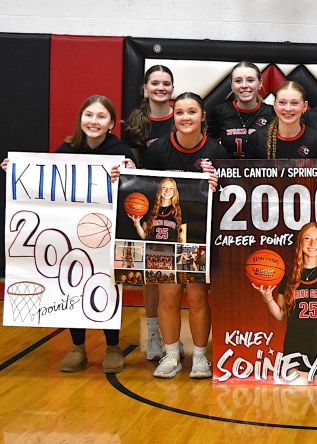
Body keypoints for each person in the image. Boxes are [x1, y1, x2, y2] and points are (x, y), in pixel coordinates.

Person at [2, 95, 134, 373]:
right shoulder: (66, 149)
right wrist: (16, 170)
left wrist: (130, 172)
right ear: (81, 119)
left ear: (111, 123)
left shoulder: (122, 152)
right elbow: (45, 184)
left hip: (106, 233)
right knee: (72, 283)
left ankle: (112, 346)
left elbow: (135, 190)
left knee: (107, 284)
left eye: (101, 116)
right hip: (70, 233)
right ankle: (78, 347)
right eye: (89, 115)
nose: (94, 121)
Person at [143, 92, 226, 379]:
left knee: (197, 296)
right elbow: (144, 189)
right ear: (173, 116)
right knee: (168, 295)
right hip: (164, 236)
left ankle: (200, 356)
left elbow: (228, 197)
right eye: (180, 112)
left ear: (203, 116)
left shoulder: (216, 152)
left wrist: (216, 183)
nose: (186, 117)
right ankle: (171, 355)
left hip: (200, 235)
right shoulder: (158, 149)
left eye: (192, 112)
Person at [122, 64, 175, 360]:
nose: (160, 88)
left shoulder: (182, 116)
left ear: (172, 88)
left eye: (166, 83)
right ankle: (153, 332)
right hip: (147, 203)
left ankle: (173, 335)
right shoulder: (135, 122)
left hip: (179, 201)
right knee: (152, 274)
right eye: (155, 83)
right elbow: (130, 164)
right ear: (145, 88)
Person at [253, 223, 317, 386]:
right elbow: (281, 315)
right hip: (295, 350)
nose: (312, 243)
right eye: (307, 238)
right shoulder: (289, 275)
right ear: (300, 242)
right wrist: (268, 298)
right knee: (297, 395)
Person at [206, 61, 274, 158]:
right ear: (231, 85)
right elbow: (208, 147)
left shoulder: (272, 113)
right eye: (238, 81)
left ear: (260, 83)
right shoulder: (219, 112)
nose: (244, 85)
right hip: (228, 168)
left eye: (250, 80)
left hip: (263, 168)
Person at [246, 81, 317, 159]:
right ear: (274, 105)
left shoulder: (316, 139)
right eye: (282, 102)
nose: (288, 109)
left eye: (294, 103)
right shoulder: (256, 139)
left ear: (304, 106)